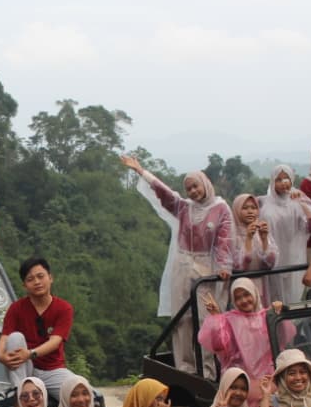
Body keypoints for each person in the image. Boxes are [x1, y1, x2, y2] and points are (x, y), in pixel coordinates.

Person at [121, 155, 233, 373]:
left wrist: (223, 268)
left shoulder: (221, 208)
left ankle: (208, 369)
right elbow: (165, 194)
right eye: (189, 188)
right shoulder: (184, 208)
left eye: (195, 186)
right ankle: (186, 367)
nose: (193, 191)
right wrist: (141, 171)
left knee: (206, 319)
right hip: (182, 267)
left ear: (205, 184)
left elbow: (225, 241)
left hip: (206, 269)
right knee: (182, 319)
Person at [0, 257, 78, 395]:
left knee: (79, 392)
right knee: (15, 337)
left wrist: (29, 354)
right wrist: (1, 356)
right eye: (30, 279)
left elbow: (55, 342)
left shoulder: (64, 308)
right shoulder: (16, 308)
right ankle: (20, 393)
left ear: (50, 278)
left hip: (52, 370)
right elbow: (5, 337)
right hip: (25, 368)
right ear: (24, 285)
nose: (37, 282)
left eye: (41, 276)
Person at [199, 277, 284, 391]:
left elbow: (282, 336)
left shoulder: (268, 316)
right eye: (238, 298)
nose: (243, 300)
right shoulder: (229, 320)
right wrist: (216, 317)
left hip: (268, 380)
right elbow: (219, 345)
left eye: (246, 294)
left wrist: (278, 309)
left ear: (254, 293)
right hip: (240, 383)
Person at [257, 164, 311, 305]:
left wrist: (301, 203)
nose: (282, 183)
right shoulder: (264, 204)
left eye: (286, 179)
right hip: (272, 261)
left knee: (293, 300)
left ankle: (293, 327)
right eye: (278, 179)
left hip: (294, 259)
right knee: (274, 301)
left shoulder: (297, 202)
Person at [229, 193, 277, 300]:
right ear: (236, 210)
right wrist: (248, 239)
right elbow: (239, 266)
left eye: (254, 208)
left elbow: (270, 263)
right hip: (240, 288)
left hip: (261, 285)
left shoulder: (261, 230)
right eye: (245, 208)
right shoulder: (231, 235)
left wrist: (264, 239)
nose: (250, 211)